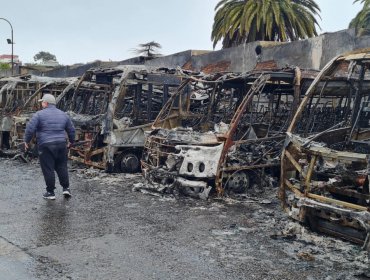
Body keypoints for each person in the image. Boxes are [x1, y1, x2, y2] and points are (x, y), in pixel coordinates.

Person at [24, 93, 75, 200]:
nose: (42, 104)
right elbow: (71, 130)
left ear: (46, 103)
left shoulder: (39, 114)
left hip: (46, 145)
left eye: (42, 102)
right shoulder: (63, 114)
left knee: (48, 168)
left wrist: (26, 141)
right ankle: (66, 188)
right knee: (62, 166)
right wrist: (71, 142)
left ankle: (50, 192)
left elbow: (30, 129)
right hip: (61, 144)